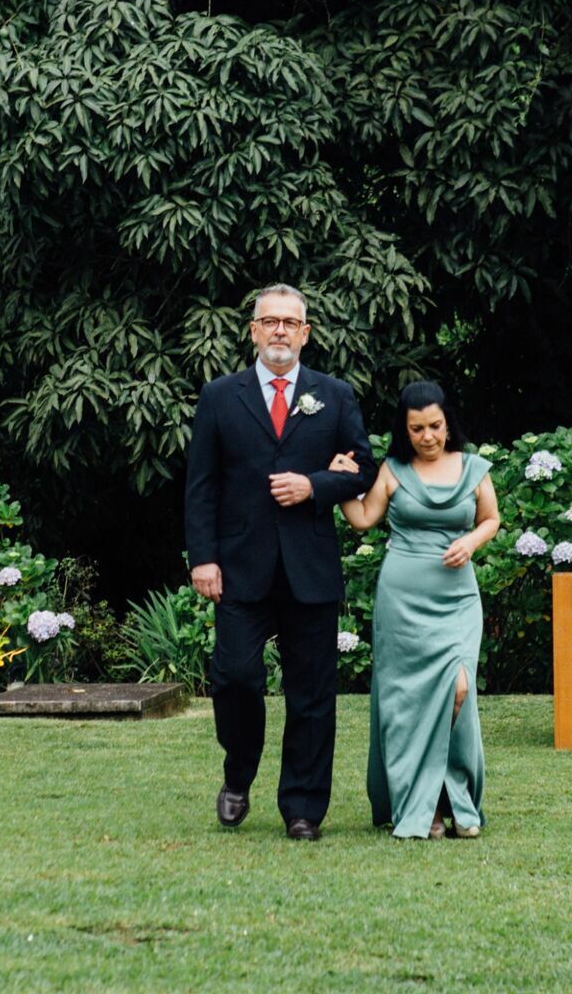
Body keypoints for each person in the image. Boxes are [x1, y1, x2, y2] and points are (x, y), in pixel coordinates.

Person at [185, 284, 376, 841]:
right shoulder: (221, 396)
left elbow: (363, 467)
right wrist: (204, 559)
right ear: (252, 330)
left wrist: (313, 484)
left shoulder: (333, 395)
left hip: (308, 568)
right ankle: (238, 774)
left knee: (312, 693)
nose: (279, 332)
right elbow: (202, 486)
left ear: (306, 333)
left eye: (290, 323)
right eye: (269, 321)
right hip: (240, 567)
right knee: (236, 676)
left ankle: (302, 809)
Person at [330, 381, 498, 839]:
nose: (428, 436)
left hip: (457, 599)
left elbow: (491, 519)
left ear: (448, 424)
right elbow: (364, 519)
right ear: (405, 431)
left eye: (436, 426)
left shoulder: (473, 467)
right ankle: (423, 807)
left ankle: (455, 797)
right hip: (402, 600)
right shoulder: (393, 469)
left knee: (458, 689)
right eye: (417, 428)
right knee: (409, 702)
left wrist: (470, 541)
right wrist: (343, 481)